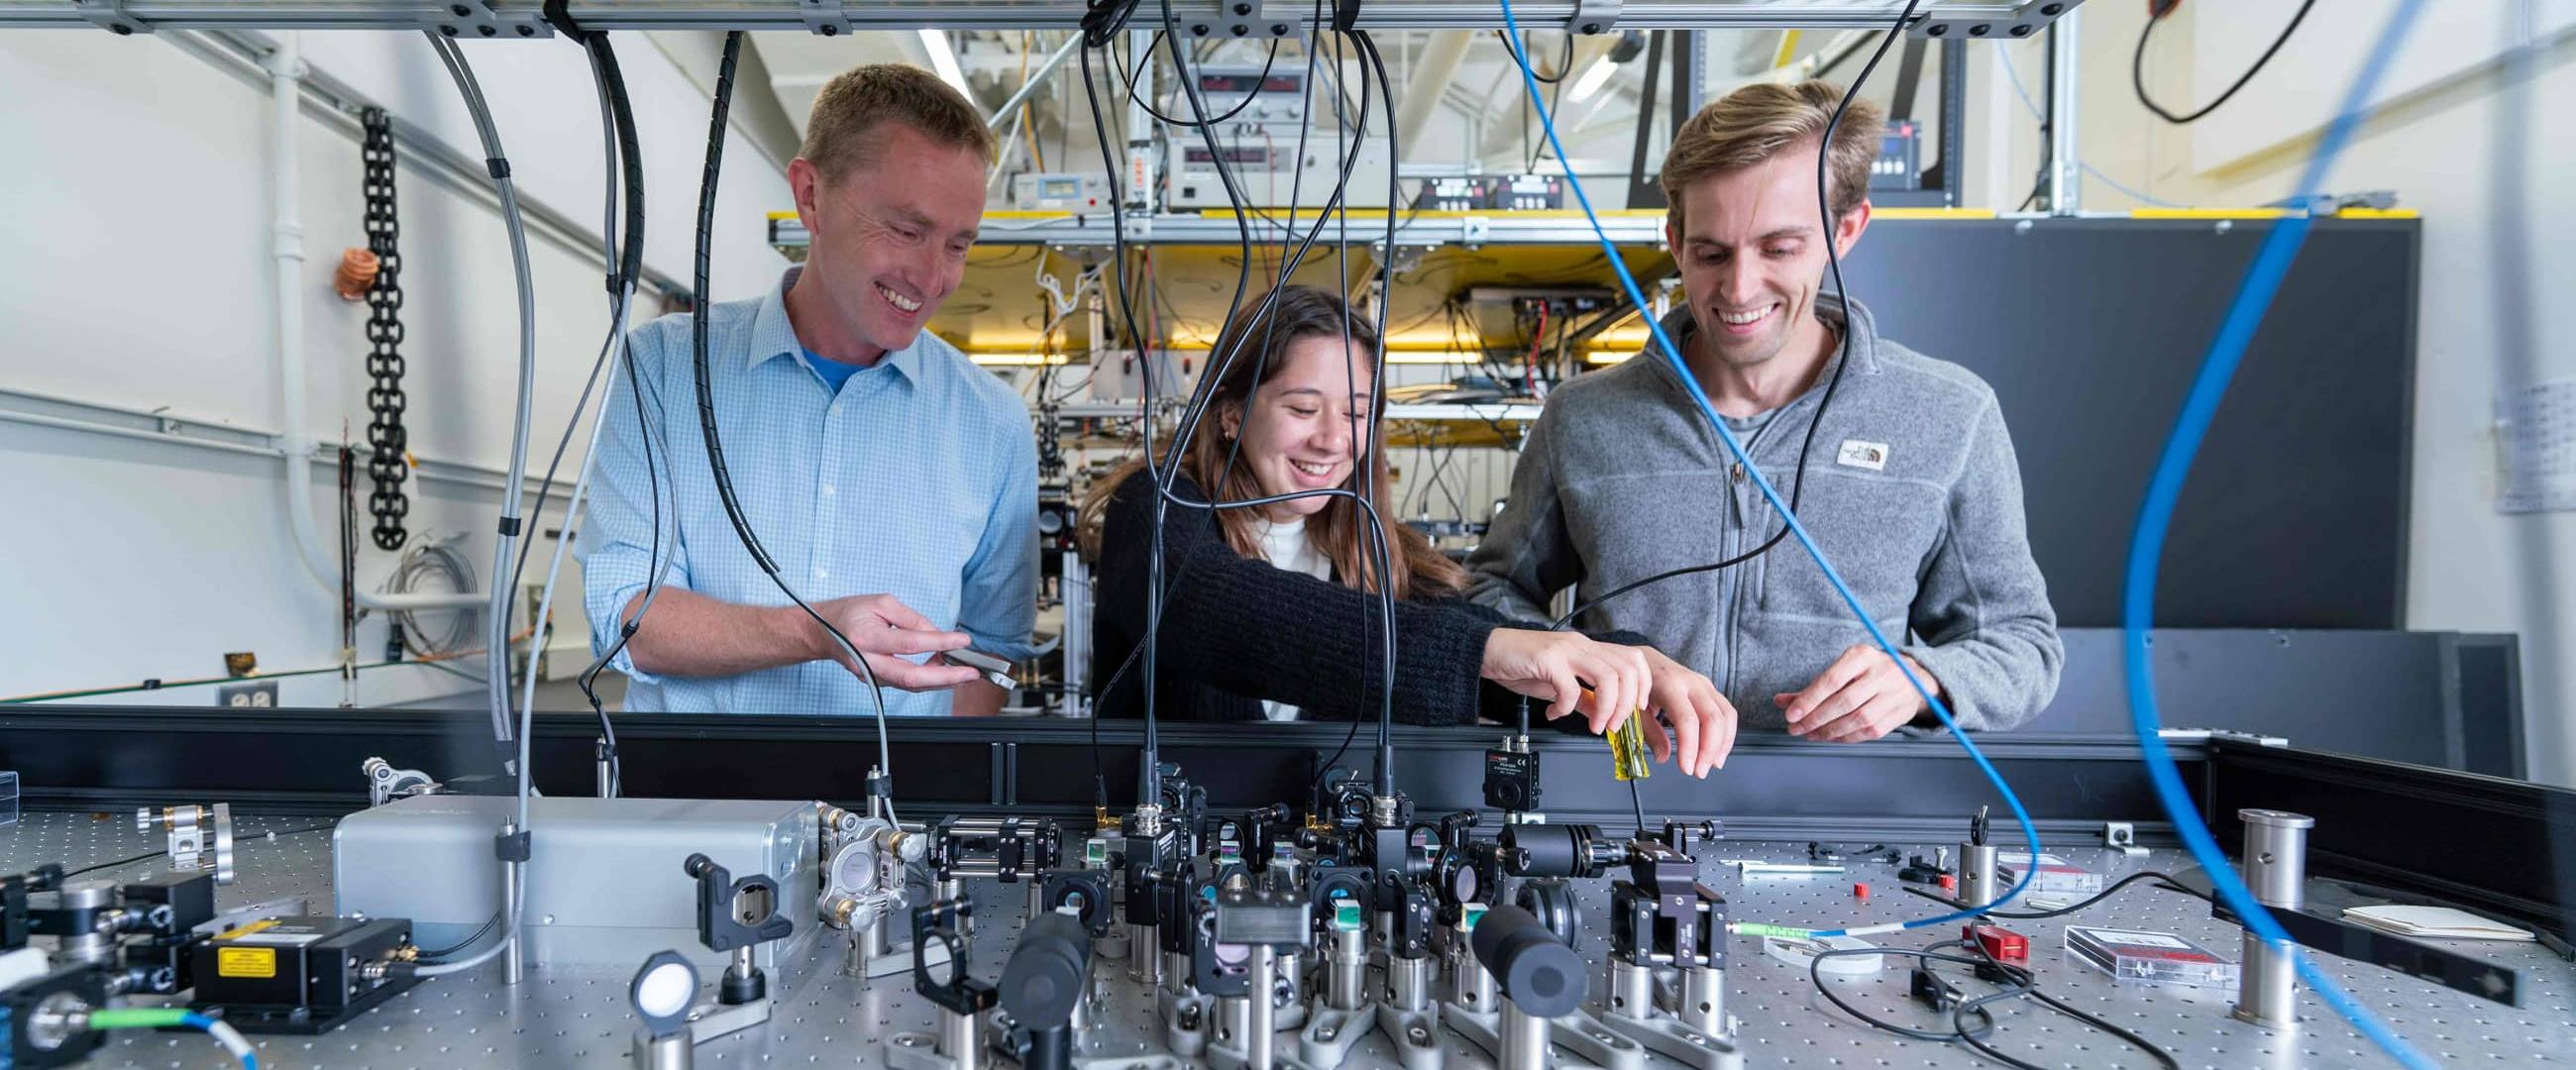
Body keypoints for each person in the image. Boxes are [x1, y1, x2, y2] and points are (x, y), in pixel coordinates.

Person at [1467, 81, 2063, 743]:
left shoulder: (1949, 415)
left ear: (1845, 231)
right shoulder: (1583, 417)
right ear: (1674, 240)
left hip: (1841, 825)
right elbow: (1485, 595)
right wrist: (1578, 662)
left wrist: (1922, 679)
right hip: (1617, 807)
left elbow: (2022, 646)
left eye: (1779, 248)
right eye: (1711, 253)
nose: (1739, 287)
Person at [1082, 285, 1735, 777]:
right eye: (1302, 408)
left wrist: (1625, 666)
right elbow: (1219, 612)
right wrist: (1485, 650)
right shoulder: (1156, 512)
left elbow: (1504, 675)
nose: (1335, 439)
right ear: (1230, 413)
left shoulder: (1376, 554)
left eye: (1357, 413)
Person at [581, 64, 1037, 716]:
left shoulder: (991, 423)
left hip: (894, 812)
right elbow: (624, 611)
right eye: (907, 230)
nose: (934, 276)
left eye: (958, 245)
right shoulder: (664, 369)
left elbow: (987, 653)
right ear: (811, 195)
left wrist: (938, 797)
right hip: (686, 805)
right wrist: (815, 630)